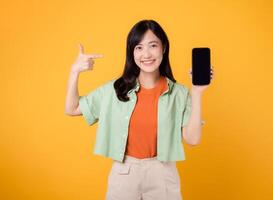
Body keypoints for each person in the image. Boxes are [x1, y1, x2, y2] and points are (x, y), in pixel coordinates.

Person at [65, 19, 213, 200]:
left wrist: (197, 93)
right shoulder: (115, 89)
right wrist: (74, 72)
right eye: (139, 47)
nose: (147, 54)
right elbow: (72, 108)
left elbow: (193, 139)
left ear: (164, 48)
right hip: (124, 173)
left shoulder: (179, 93)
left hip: (163, 174)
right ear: (132, 52)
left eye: (153, 45)